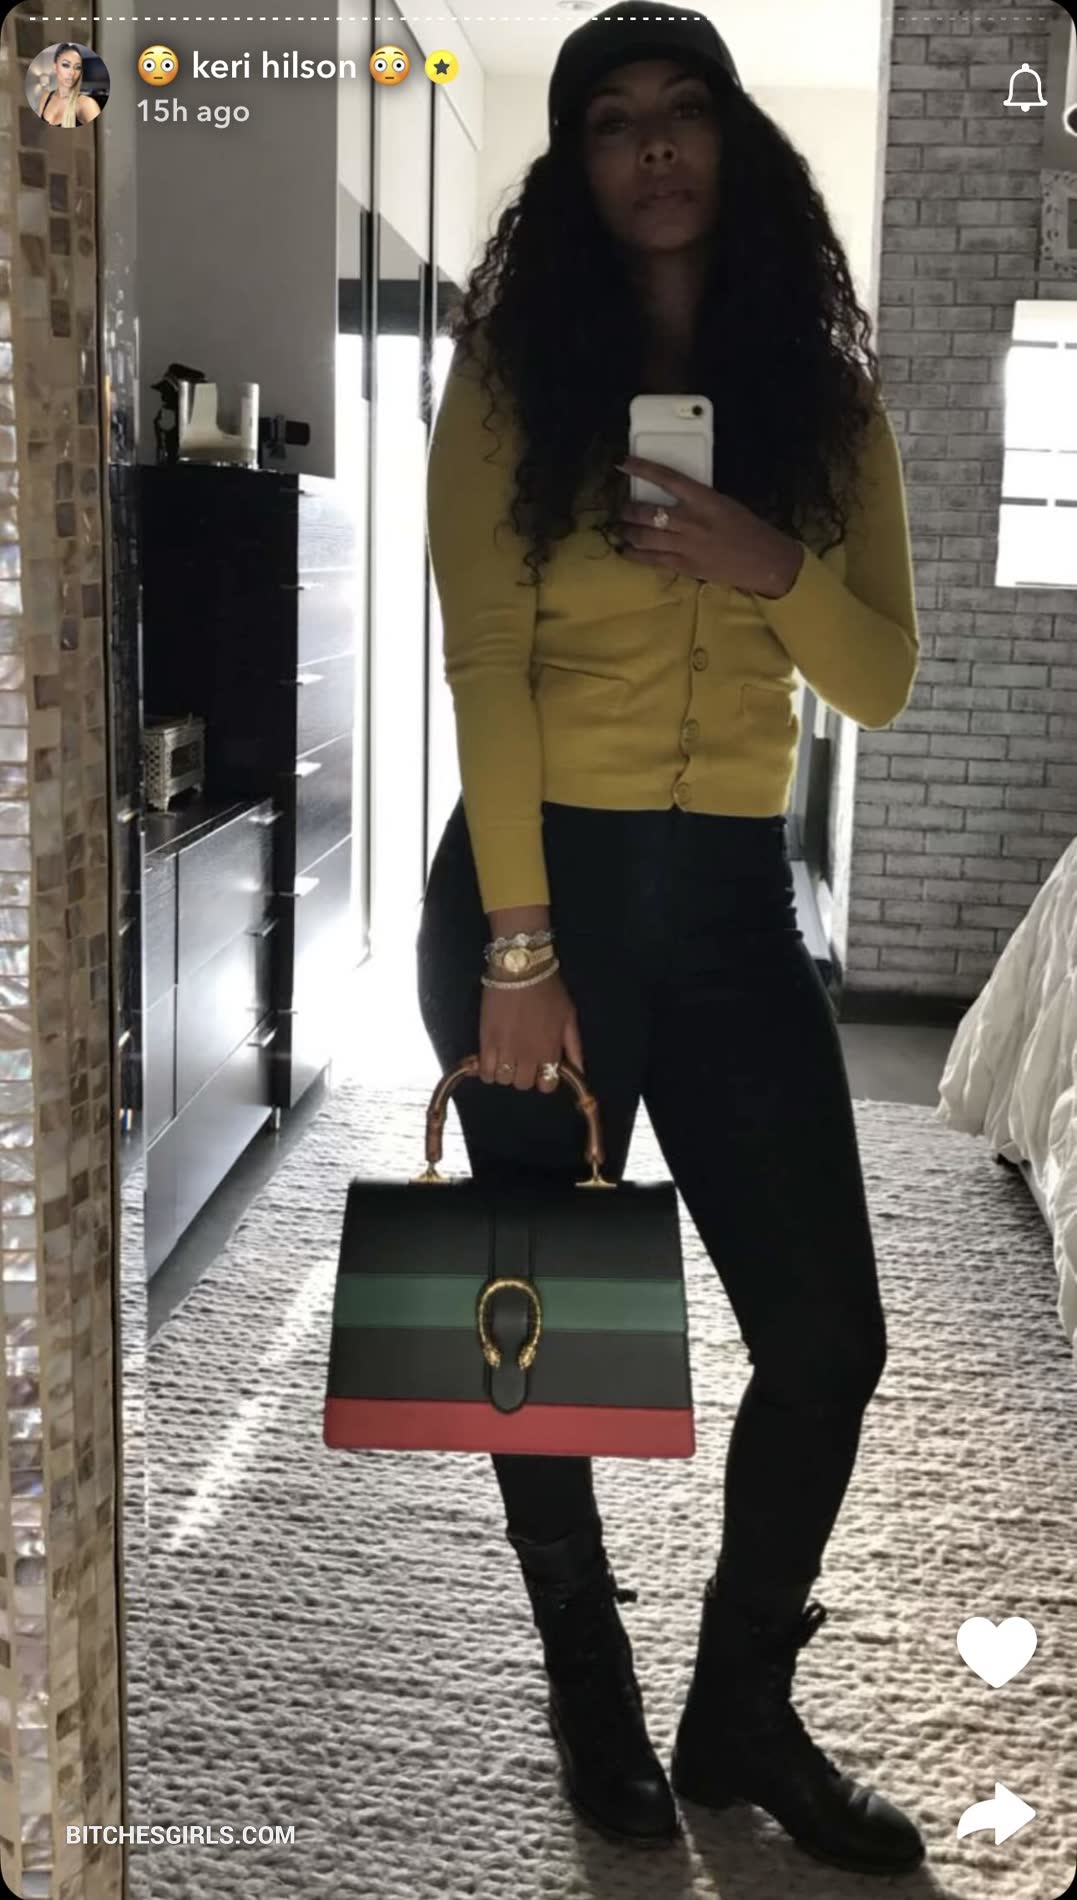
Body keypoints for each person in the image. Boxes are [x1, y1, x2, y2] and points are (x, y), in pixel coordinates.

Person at [418, 0, 924, 1876]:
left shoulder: (828, 403)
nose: (649, 145)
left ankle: (739, 1712)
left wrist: (762, 562)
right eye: (609, 118)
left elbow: (880, 676)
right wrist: (520, 949)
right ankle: (592, 1683)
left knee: (830, 1336)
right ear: (573, 164)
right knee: (538, 1329)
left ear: (733, 144)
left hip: (729, 902)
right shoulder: (508, 382)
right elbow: (485, 661)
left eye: (681, 109)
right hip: (534, 894)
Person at [38, 44, 101, 127]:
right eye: (66, 65)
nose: (72, 73)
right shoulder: (45, 97)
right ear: (55, 67)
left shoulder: (86, 104)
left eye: (77, 67)